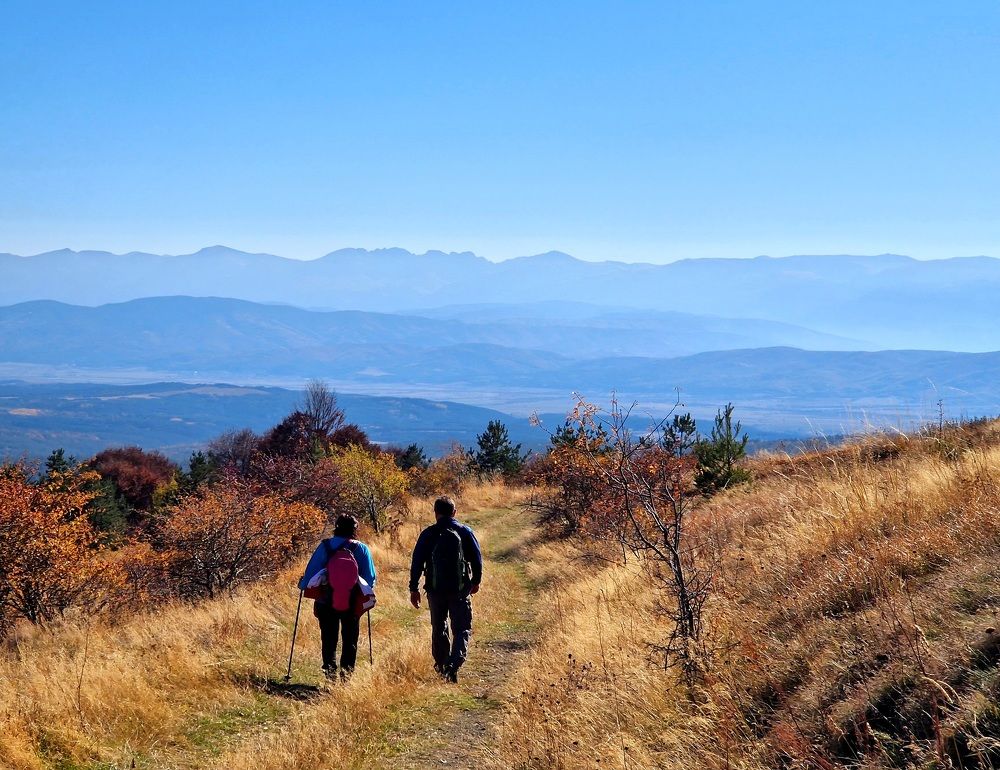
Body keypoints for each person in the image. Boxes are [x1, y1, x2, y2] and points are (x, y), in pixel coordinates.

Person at [409, 495, 483, 683]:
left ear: (436, 513)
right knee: (462, 628)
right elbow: (476, 559)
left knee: (439, 627)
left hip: (434, 589)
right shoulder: (464, 531)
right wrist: (475, 581)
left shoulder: (428, 534)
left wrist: (414, 588)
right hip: (459, 589)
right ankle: (454, 663)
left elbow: (417, 562)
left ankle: (442, 665)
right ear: (454, 512)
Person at [299, 514, 376, 680]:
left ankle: (330, 674)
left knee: (329, 638)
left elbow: (310, 575)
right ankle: (346, 676)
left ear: (336, 527)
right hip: (352, 601)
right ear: (355, 529)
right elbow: (370, 578)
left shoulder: (325, 546)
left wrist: (303, 585)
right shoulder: (361, 549)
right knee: (350, 639)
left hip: (326, 600)